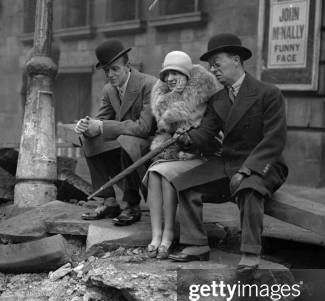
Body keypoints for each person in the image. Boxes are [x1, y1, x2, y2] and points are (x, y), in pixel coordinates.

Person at [168, 33, 288, 271]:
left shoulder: (268, 93)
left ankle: (251, 253)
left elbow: (274, 140)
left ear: (236, 60)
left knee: (249, 189)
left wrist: (246, 170)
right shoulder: (218, 99)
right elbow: (205, 133)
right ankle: (197, 245)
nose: (213, 70)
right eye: (210, 65)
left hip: (264, 163)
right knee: (185, 185)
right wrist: (187, 139)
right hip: (229, 162)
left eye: (217, 63)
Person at [144, 51, 220, 259]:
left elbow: (205, 134)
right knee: (155, 172)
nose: (169, 79)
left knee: (165, 174)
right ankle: (156, 234)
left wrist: (188, 140)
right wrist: (172, 98)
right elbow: (163, 125)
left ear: (186, 76)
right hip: (175, 151)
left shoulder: (201, 96)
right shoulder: (166, 97)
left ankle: (169, 234)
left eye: (175, 74)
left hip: (200, 155)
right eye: (166, 74)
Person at [75, 39, 157, 226]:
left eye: (115, 69)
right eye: (106, 71)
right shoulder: (109, 90)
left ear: (127, 66)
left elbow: (144, 128)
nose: (110, 75)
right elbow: (100, 121)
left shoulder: (149, 84)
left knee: (128, 140)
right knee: (89, 139)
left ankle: (131, 204)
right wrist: (86, 126)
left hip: (151, 144)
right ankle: (108, 201)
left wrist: (102, 126)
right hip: (126, 140)